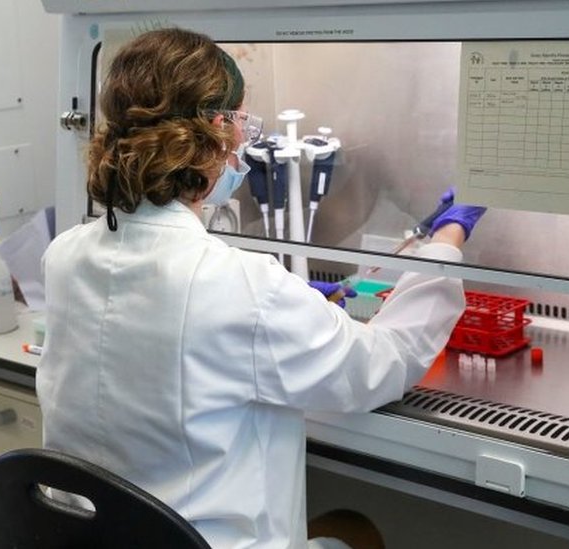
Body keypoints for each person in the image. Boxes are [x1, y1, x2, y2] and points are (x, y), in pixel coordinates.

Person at [36, 27, 485, 549]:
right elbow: (380, 365)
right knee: (357, 532)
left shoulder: (64, 256)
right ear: (215, 133)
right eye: (242, 123)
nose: (245, 143)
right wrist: (447, 239)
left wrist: (298, 314)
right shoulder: (240, 285)